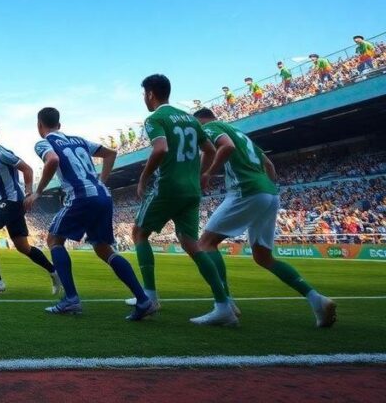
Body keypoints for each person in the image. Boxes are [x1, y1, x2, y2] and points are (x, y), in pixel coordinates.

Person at [193, 108, 336, 327]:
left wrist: (208, 173)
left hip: (246, 190)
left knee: (205, 244)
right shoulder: (242, 135)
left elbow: (226, 147)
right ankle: (317, 300)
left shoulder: (211, 127)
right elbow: (269, 165)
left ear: (201, 121)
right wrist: (267, 190)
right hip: (268, 192)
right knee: (263, 257)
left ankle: (224, 306)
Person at [24, 108, 155, 320]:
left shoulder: (43, 142)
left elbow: (53, 160)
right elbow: (111, 154)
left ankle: (71, 300)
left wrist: (38, 192)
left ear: (40, 125)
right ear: (60, 123)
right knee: (104, 249)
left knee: (54, 240)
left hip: (80, 196)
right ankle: (143, 300)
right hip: (103, 195)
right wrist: (101, 181)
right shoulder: (79, 140)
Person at [130, 74, 237, 326]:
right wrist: (202, 174)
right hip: (191, 190)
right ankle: (224, 305)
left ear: (150, 94)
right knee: (192, 244)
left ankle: (150, 298)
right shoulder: (190, 118)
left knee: (139, 234)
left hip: (168, 187)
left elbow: (161, 149)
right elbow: (210, 150)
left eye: (144, 94)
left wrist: (144, 177)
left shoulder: (155, 118)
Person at [0, 121, 60, 296]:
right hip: (8, 204)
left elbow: (27, 169)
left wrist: (29, 193)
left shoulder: (2, 153)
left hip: (12, 201)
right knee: (23, 247)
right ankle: (55, 272)